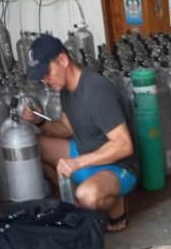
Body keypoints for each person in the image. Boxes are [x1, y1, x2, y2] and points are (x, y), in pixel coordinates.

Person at [24, 35, 137, 232]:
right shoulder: (67, 90)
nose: (45, 80)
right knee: (32, 146)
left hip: (116, 166)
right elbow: (66, 129)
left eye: (47, 72)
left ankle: (116, 203)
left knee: (88, 196)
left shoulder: (96, 90)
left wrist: (77, 163)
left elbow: (124, 145)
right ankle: (69, 200)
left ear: (63, 60)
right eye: (42, 76)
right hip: (85, 153)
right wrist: (38, 120)